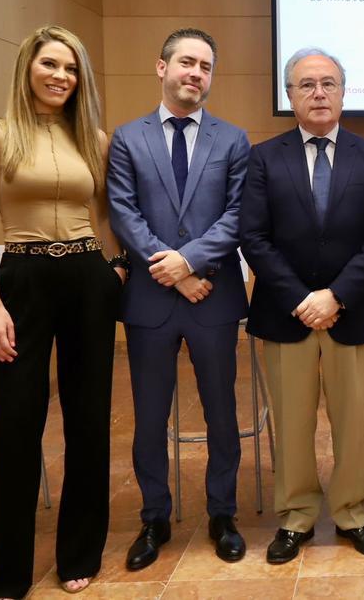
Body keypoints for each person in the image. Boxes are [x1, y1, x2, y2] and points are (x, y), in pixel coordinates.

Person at [0, 25, 121, 598]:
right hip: (22, 281)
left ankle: (79, 553)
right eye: (50, 65)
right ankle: (8, 570)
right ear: (27, 70)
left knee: (87, 422)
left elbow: (109, 217)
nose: (61, 76)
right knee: (14, 425)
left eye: (71, 68)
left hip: (87, 279)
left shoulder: (95, 140)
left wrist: (118, 268)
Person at [240, 47, 364, 564]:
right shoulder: (264, 157)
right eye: (306, 84)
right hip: (287, 314)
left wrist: (335, 295)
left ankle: (352, 512)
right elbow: (254, 237)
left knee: (352, 421)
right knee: (292, 420)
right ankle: (297, 515)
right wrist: (304, 298)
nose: (318, 93)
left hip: (354, 311)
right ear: (290, 96)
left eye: (328, 83)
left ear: (344, 92)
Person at [107, 28, 251, 568]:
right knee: (149, 417)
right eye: (186, 62)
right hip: (150, 301)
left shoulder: (233, 140)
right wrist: (173, 270)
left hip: (213, 295)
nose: (195, 73)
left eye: (206, 66)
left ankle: (222, 513)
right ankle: (153, 518)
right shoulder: (127, 138)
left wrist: (190, 263)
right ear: (161, 67)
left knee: (221, 410)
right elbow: (123, 210)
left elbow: (238, 215)